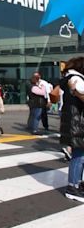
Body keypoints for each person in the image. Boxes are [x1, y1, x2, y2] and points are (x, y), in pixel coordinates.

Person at [59, 56, 84, 202]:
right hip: (77, 122)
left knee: (80, 155)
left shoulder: (69, 78)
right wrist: (77, 92)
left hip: (74, 121)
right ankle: (72, 187)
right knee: (79, 155)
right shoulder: (76, 79)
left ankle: (77, 184)